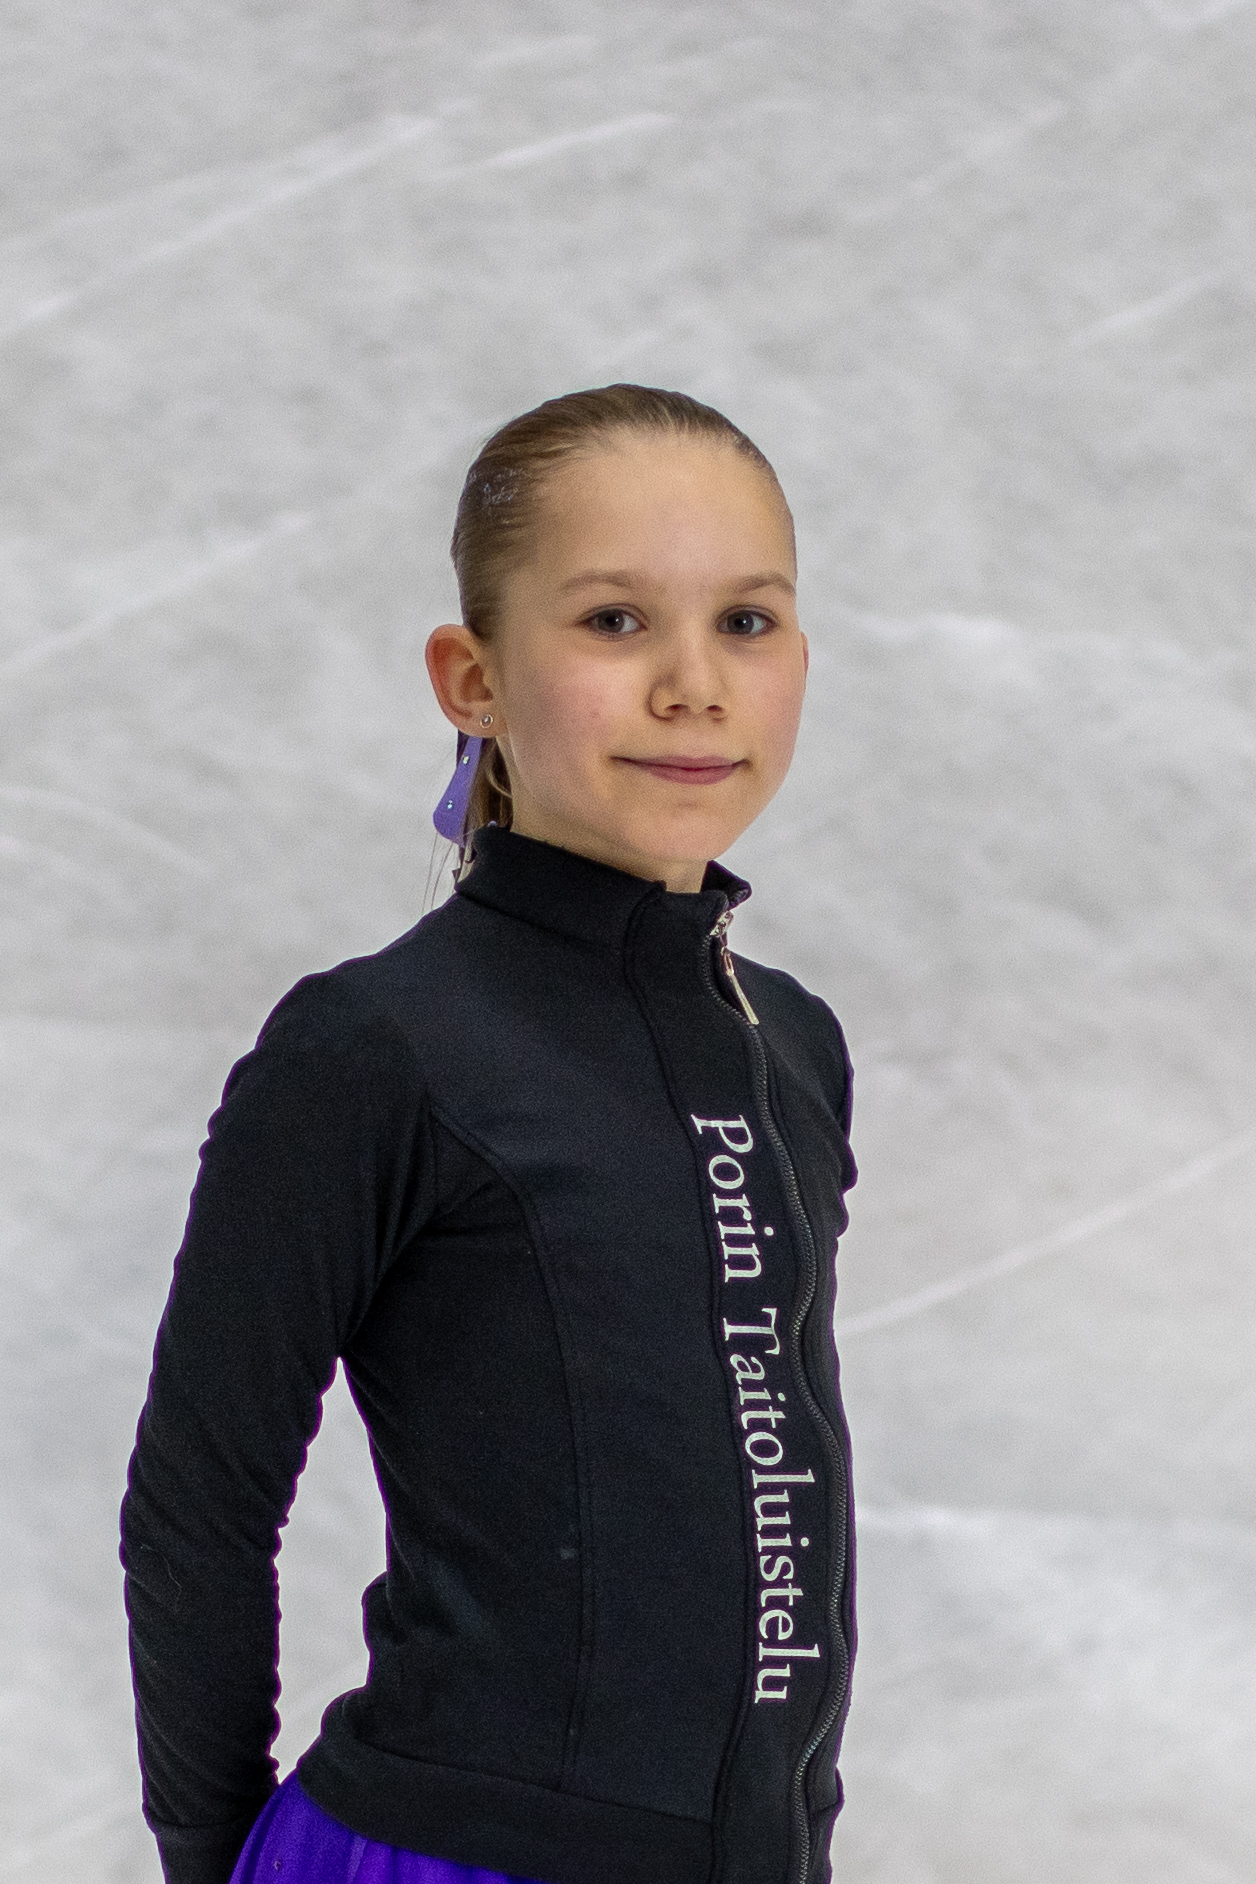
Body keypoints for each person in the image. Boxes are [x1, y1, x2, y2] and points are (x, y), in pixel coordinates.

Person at [120, 384, 858, 1884]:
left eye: (746, 621)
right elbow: (200, 1504)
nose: (694, 685)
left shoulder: (789, 1045)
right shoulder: (375, 1048)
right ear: (474, 678)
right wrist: (207, 1854)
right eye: (613, 622)